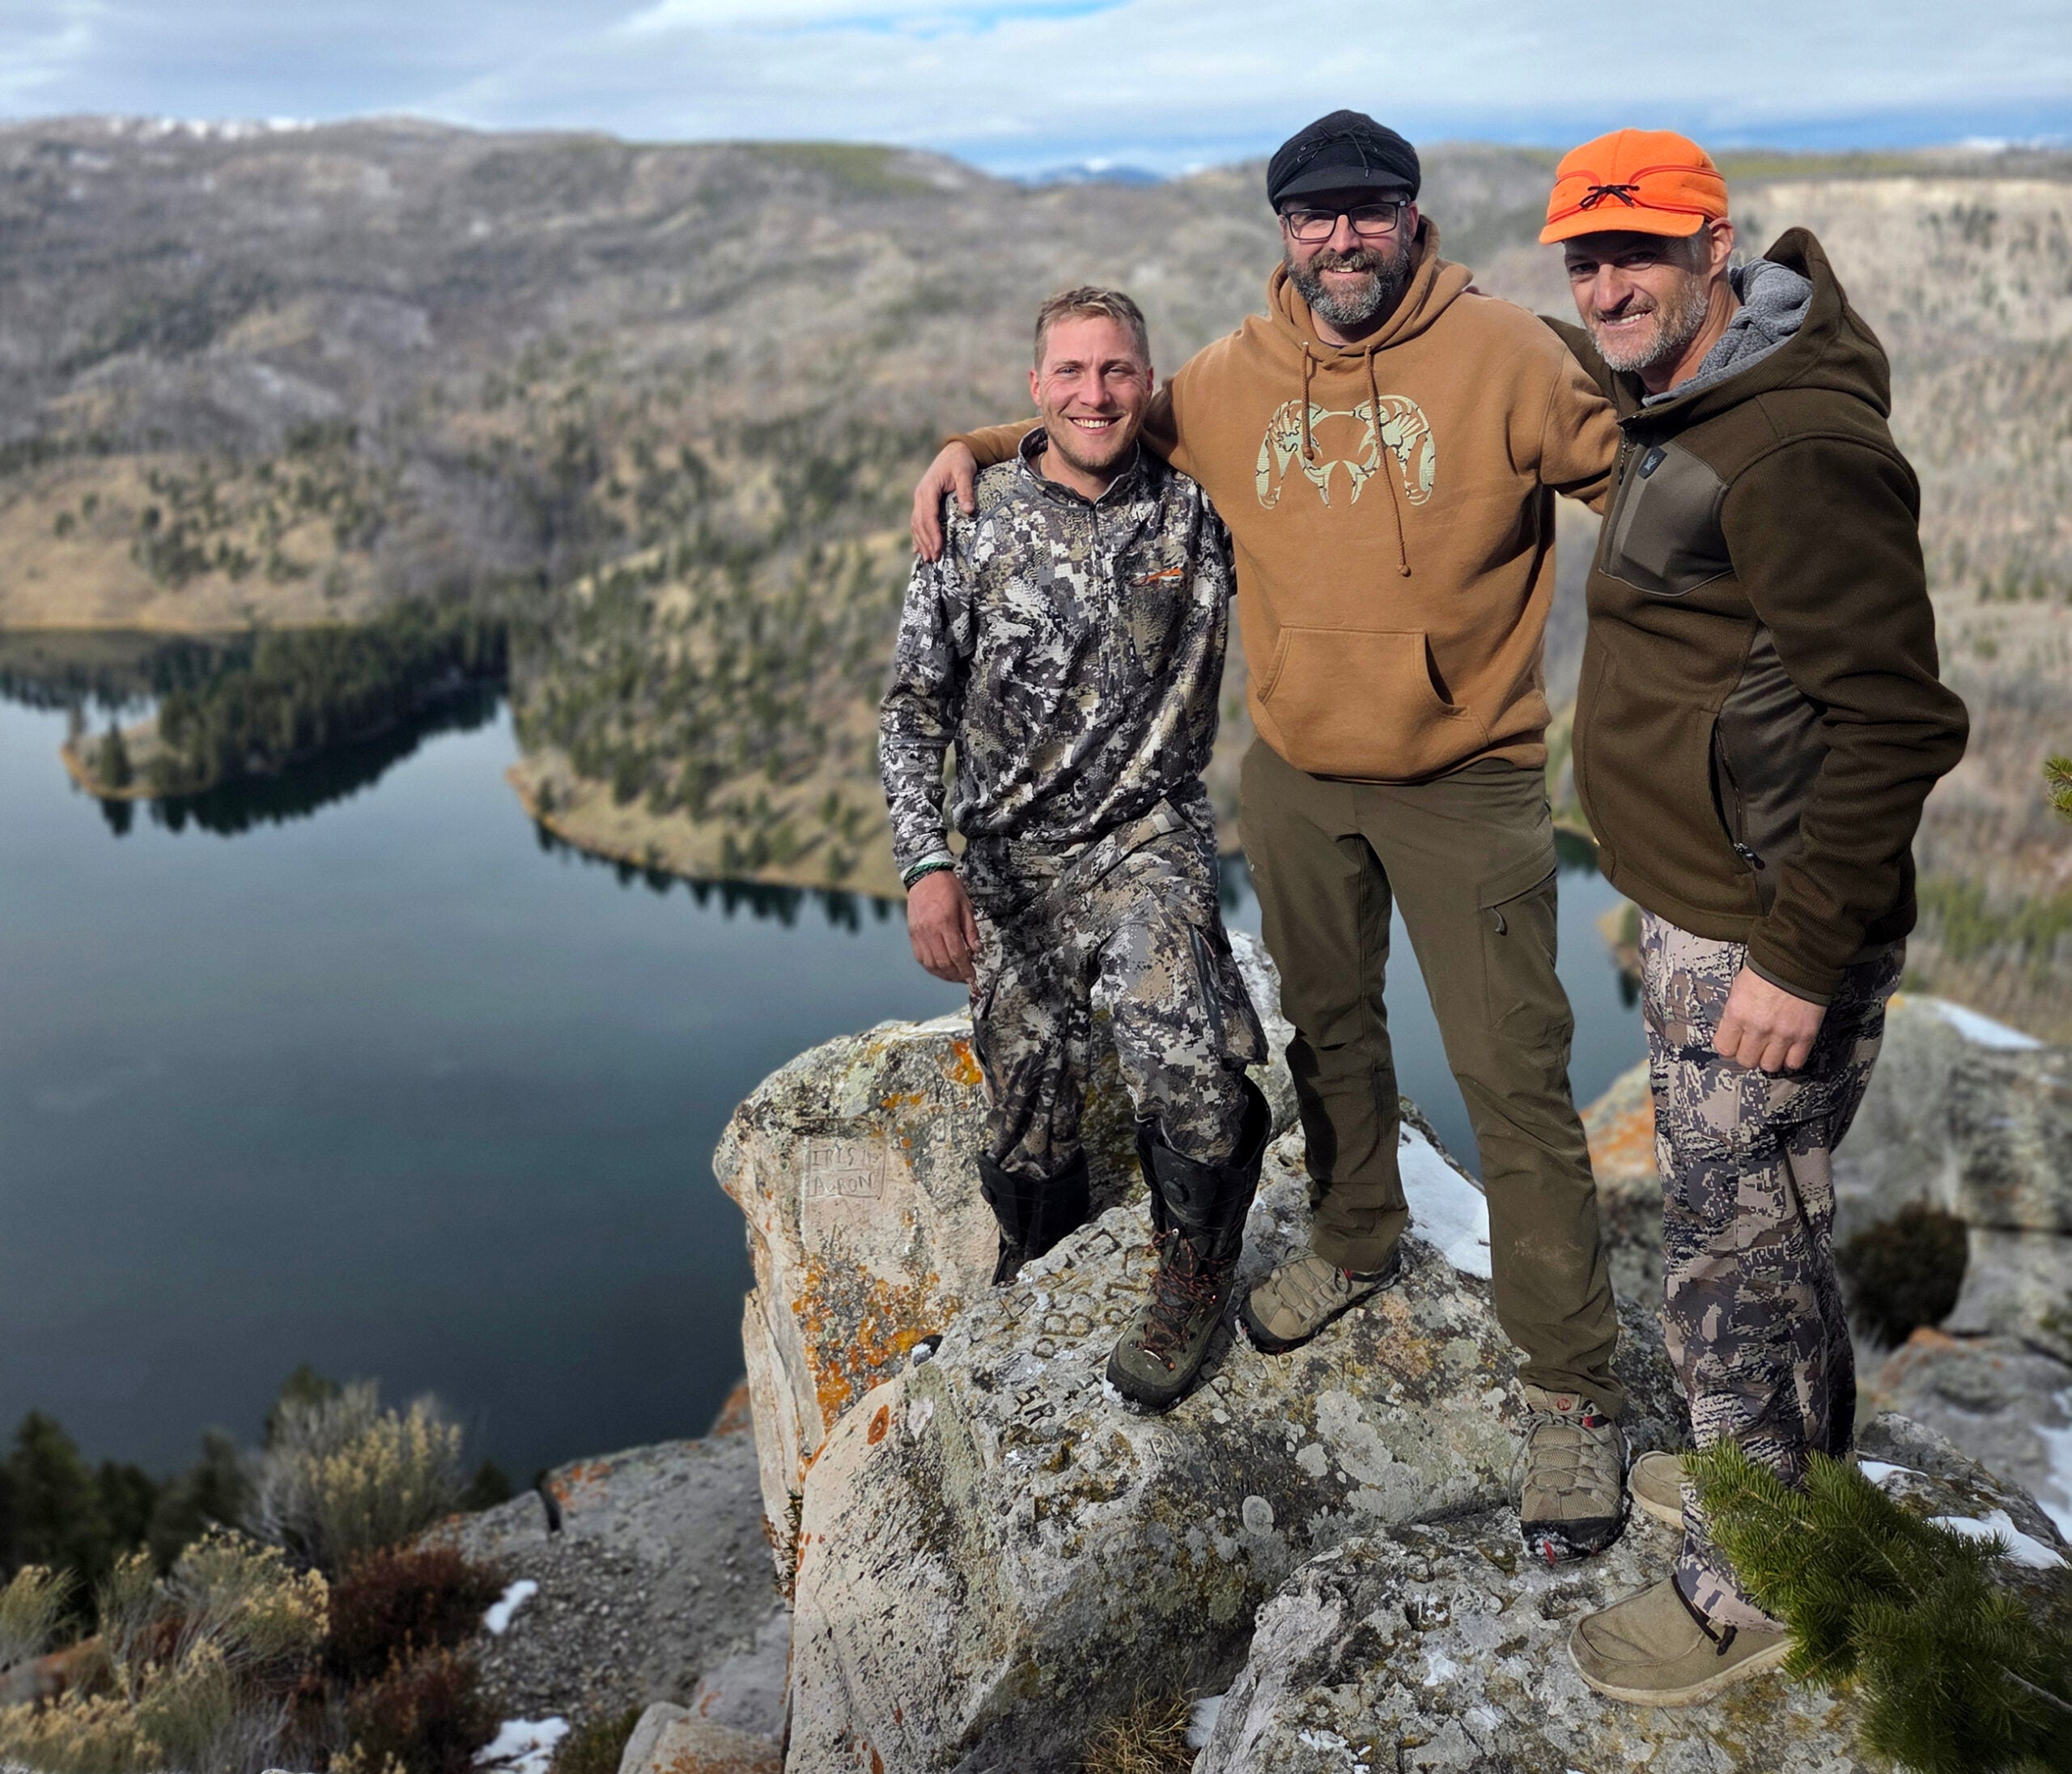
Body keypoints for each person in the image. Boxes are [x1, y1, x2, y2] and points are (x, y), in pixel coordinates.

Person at [911, 112, 1635, 1563]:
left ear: (1412, 218)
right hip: (1300, 778)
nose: (1343, 239)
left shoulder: (1508, 356)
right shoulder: (1239, 377)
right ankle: (1359, 1232)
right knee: (1328, 1034)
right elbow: (1103, 417)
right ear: (1284, 232)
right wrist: (974, 445)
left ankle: (1572, 1388)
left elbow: (1658, 493)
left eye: (1370, 212)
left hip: (1469, 776)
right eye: (1316, 217)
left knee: (1512, 1076)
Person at [1539, 129, 1969, 1705]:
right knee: (1769, 1228)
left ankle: (1748, 1584)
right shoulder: (1682, 391)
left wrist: (1791, 957)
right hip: (1707, 905)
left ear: (1711, 247)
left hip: (1764, 930)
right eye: (1580, 256)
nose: (1603, 282)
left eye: (1635, 250)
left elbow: (1895, 719)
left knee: (1728, 1256)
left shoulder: (1785, 450)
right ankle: (1798, 1481)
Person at [880, 284, 1271, 1415]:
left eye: (1117, 372)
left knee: (1183, 1050)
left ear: (1149, 385)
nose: (1094, 393)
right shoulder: (976, 519)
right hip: (1008, 859)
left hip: (1147, 833)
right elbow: (913, 710)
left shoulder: (1201, 508)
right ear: (1035, 389)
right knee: (1030, 1106)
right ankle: (1039, 1261)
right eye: (1071, 373)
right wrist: (927, 864)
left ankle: (1193, 1266)